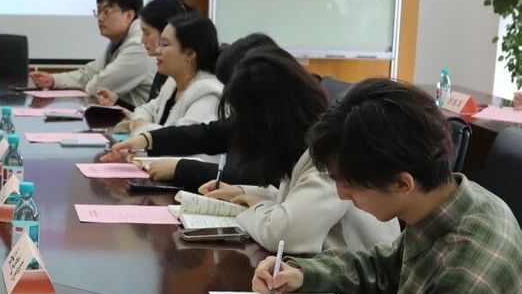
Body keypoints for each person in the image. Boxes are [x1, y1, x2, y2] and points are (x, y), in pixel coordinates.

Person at [252, 79, 522, 294]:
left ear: (402, 183)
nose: (342, 195)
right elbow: (385, 273)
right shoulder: (457, 203)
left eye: (350, 184)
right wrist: (302, 274)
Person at [118, 48, 399, 253]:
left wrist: (246, 210)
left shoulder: (329, 157)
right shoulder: (304, 143)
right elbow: (294, 201)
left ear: (266, 120)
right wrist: (243, 193)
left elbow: (286, 233)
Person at [105, 32, 277, 188]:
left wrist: (179, 168)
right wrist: (148, 139)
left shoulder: (279, 127)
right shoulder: (253, 115)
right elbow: (206, 134)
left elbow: (249, 178)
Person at [28, 0, 155, 108]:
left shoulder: (138, 46)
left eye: (107, 11)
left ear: (129, 16)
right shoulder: (119, 42)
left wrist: (90, 83)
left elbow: (98, 87)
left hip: (137, 119)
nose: (100, 18)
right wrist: (53, 80)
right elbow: (88, 74)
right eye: (98, 11)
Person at [97, 11, 223, 134]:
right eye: (159, 43)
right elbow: (145, 110)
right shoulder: (172, 83)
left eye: (165, 44)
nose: (157, 50)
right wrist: (140, 122)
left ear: (189, 53)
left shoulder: (207, 94)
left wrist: (141, 126)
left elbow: (179, 139)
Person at [136, 0, 192, 102]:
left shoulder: (185, 76)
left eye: (147, 33)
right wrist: (117, 102)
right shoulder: (164, 67)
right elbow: (153, 110)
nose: (142, 40)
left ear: (166, 30)